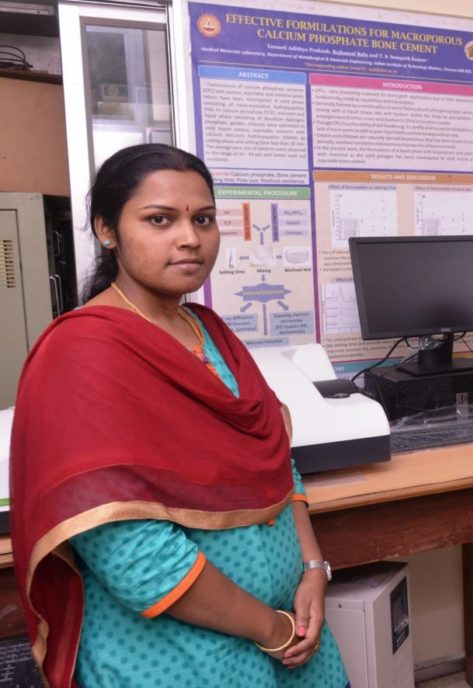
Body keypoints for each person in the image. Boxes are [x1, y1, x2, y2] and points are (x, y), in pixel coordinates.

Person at [10, 143, 350, 688]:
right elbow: (131, 551)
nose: (190, 237)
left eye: (204, 219)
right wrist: (271, 627)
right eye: (160, 220)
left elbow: (275, 464)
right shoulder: (83, 354)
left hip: (293, 635)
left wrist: (313, 571)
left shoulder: (211, 332)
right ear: (106, 229)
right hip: (179, 657)